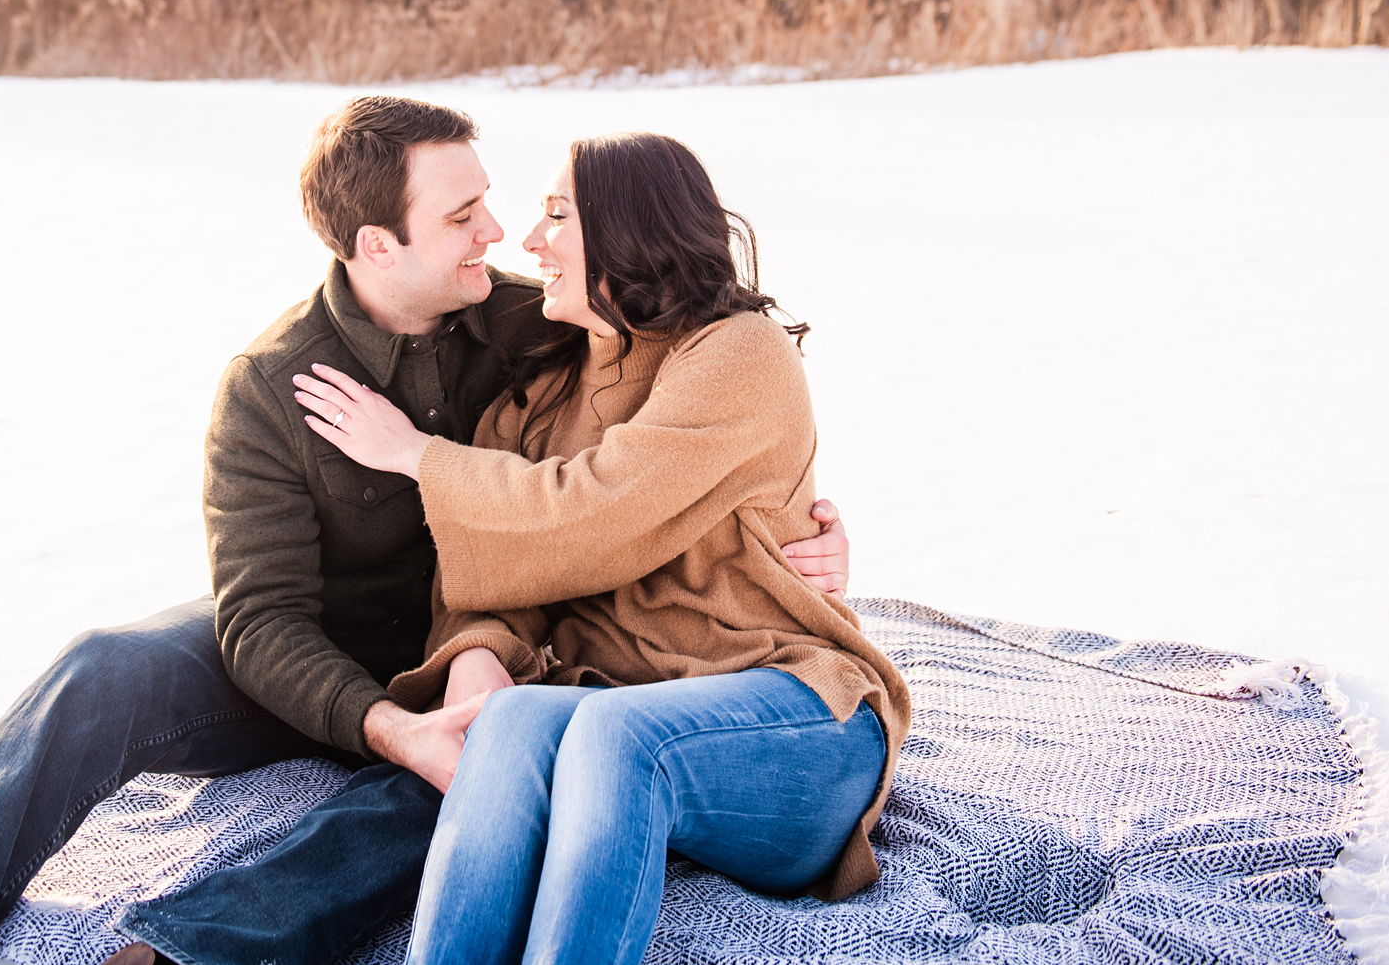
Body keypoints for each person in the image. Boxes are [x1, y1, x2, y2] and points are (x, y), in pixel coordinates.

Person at [0, 98, 851, 965]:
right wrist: (386, 722)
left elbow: (673, 389)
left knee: (470, 761)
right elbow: (257, 624)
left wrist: (799, 535)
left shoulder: (536, 322)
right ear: (375, 245)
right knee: (102, 668)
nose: (498, 235)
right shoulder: (268, 386)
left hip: (479, 651)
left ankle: (187, 952)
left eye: (498, 206)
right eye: (464, 216)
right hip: (327, 649)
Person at [119, 132, 909, 965]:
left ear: (628, 229)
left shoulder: (735, 352)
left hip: (792, 719)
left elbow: (591, 515)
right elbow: (497, 567)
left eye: (556, 214)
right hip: (628, 723)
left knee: (609, 735)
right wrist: (476, 661)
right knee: (521, 721)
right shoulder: (538, 397)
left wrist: (417, 454)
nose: (524, 241)